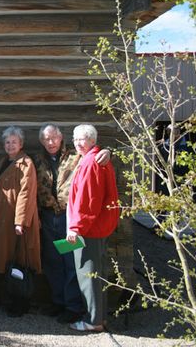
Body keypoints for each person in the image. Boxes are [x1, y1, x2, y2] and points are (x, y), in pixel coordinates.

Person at [33, 124, 110, 324]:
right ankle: (58, 302)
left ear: (61, 139)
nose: (50, 142)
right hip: (49, 217)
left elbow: (96, 156)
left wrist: (107, 152)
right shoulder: (38, 159)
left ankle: (73, 306)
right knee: (53, 261)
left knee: (71, 263)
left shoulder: (76, 156)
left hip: (70, 217)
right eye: (46, 139)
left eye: (53, 138)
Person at [67, 124, 119, 332]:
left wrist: (75, 227)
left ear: (92, 141)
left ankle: (93, 321)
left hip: (89, 230)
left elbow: (88, 200)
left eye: (83, 139)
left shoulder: (91, 163)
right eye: (76, 139)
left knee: (88, 274)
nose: (78, 143)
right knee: (95, 273)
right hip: (94, 228)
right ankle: (99, 318)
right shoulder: (93, 158)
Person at [0, 126, 41, 317]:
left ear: (21, 143)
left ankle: (20, 303)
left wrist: (20, 221)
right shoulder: (2, 162)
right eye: (7, 142)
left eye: (14, 142)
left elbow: (26, 193)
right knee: (3, 260)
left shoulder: (25, 163)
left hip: (17, 223)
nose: (10, 145)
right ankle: (5, 299)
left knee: (19, 261)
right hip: (1, 220)